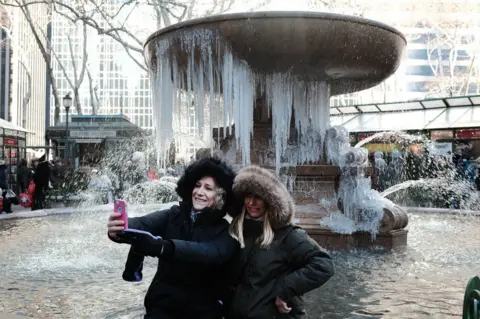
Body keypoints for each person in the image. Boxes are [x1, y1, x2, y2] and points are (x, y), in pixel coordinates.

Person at [107, 157, 239, 319]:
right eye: (197, 185)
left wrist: (164, 247)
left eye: (208, 188)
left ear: (220, 196)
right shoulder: (173, 215)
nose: (199, 192)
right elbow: (143, 223)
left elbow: (210, 253)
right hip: (162, 307)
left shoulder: (225, 231)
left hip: (202, 311)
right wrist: (121, 227)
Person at [227, 166, 335, 319]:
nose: (251, 202)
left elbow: (324, 265)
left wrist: (285, 289)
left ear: (270, 201)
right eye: (248, 195)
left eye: (259, 197)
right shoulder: (241, 231)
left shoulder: (288, 235)